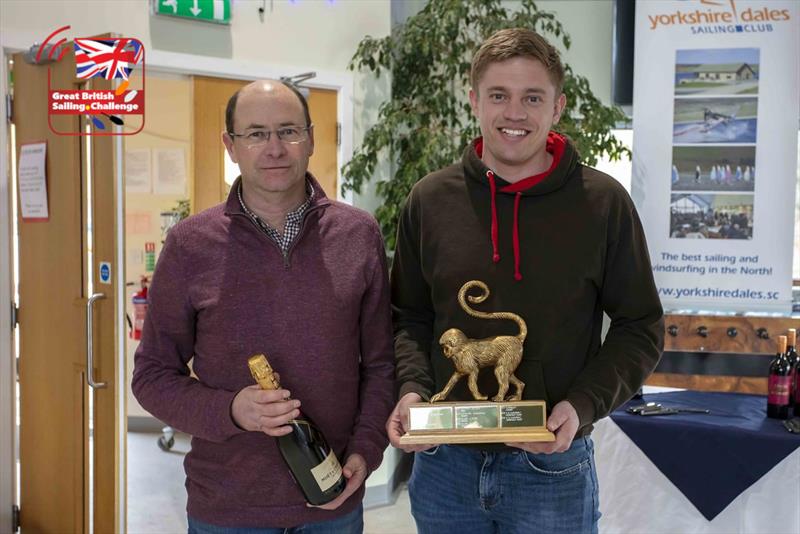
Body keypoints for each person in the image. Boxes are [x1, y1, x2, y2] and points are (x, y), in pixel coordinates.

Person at [386, 28, 664, 534]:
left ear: (557, 107)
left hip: (552, 467)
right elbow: (409, 317)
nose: (515, 113)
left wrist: (581, 407)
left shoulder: (603, 204)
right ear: (474, 101)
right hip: (444, 464)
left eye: (532, 97)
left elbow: (640, 326)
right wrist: (410, 390)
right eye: (499, 96)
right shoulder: (429, 201)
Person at [132, 80, 395, 533]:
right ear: (230, 146)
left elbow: (381, 364)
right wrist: (231, 410)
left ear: (310, 138)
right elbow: (153, 377)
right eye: (255, 134)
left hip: (335, 504)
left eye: (288, 131)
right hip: (228, 509)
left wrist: (366, 450)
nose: (274, 148)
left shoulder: (359, 235)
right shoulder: (190, 245)